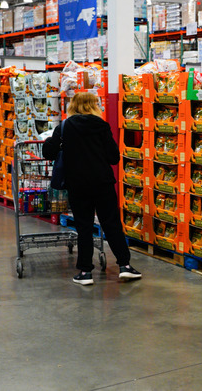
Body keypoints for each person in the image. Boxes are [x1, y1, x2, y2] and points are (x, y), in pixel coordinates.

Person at [43, 92, 141, 285]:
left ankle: (85, 272)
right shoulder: (102, 126)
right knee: (111, 224)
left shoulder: (64, 127)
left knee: (84, 227)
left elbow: (49, 152)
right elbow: (114, 157)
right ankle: (125, 266)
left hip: (77, 184)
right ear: (94, 106)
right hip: (102, 183)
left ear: (73, 105)